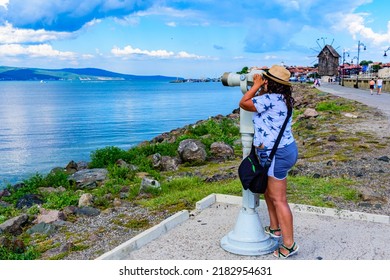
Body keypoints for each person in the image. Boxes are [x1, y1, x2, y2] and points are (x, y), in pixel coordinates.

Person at [239, 65, 299, 258]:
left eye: (265, 79)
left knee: (279, 199)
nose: (263, 80)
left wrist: (255, 85)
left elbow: (244, 102)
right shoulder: (283, 98)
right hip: (283, 150)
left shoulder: (269, 99)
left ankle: (289, 245)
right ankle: (275, 228)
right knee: (268, 191)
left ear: (269, 82)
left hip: (276, 154)